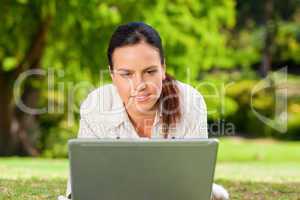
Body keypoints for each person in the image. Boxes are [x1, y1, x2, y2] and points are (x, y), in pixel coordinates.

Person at [58, 22, 229, 200]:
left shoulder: (191, 102)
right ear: (112, 75)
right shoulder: (95, 105)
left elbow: (194, 185)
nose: (140, 85)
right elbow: (82, 188)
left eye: (149, 71)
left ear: (163, 68)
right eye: (126, 74)